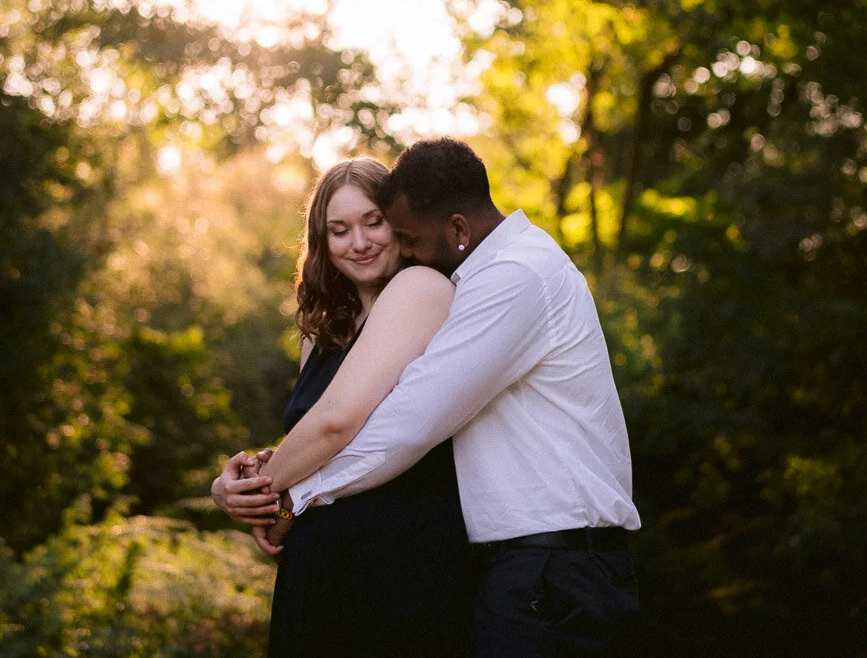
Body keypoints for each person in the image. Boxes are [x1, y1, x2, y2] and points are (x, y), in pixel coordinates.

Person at [251, 138, 641, 657]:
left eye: (398, 233)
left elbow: (401, 426)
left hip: (552, 566)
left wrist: (279, 492)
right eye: (339, 229)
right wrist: (267, 482)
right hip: (526, 568)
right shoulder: (489, 277)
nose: (403, 250)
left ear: (456, 227)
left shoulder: (512, 277)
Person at [210, 156, 472, 657]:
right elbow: (310, 440)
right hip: (319, 557)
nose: (359, 242)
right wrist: (230, 488)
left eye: (373, 222)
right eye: (339, 230)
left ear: (399, 222)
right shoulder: (325, 330)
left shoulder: (421, 289)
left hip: (395, 560)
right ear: (322, 243)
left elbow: (336, 424)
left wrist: (268, 498)